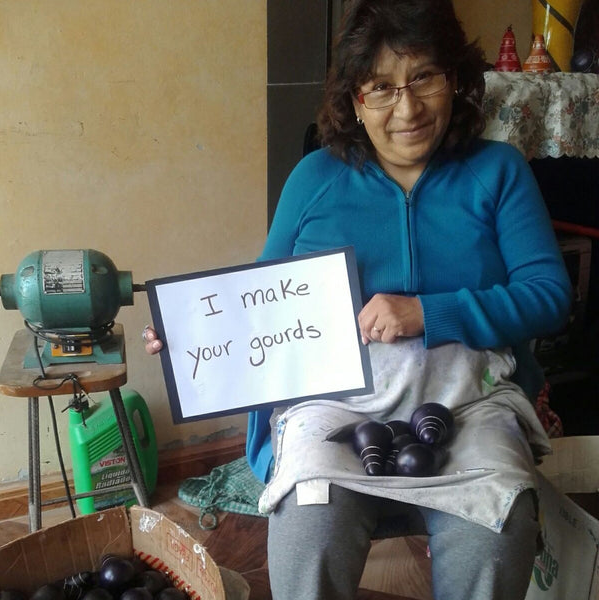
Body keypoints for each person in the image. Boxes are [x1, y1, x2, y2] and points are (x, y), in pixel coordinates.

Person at [146, 1, 572, 598]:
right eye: (381, 87)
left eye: (424, 76)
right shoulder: (314, 179)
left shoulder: (497, 172)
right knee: (308, 531)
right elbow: (260, 304)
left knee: (496, 534)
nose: (407, 107)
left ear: (455, 79)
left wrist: (428, 313)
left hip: (470, 404)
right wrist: (196, 336)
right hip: (334, 405)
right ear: (355, 101)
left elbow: (550, 295)